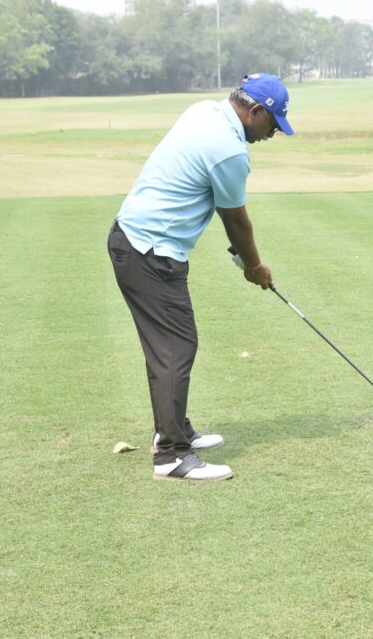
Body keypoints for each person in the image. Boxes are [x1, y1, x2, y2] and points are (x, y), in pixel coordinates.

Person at [108, 73, 294, 482]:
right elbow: (236, 221)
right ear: (255, 111)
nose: (273, 133)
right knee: (176, 347)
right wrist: (254, 266)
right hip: (151, 251)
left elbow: (200, 189)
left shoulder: (204, 110)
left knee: (167, 347)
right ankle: (172, 455)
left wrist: (242, 258)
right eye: (273, 124)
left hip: (133, 239)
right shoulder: (230, 150)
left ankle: (174, 430)